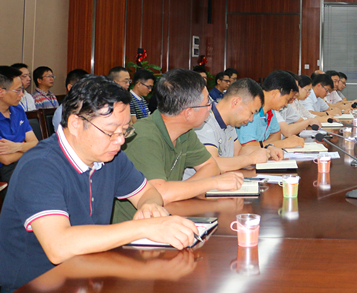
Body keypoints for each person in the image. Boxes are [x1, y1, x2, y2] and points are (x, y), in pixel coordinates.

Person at [0, 76, 198, 292]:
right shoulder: (40, 165)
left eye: (125, 130)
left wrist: (149, 205)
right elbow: (58, 246)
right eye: (111, 132)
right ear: (75, 124)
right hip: (36, 285)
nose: (120, 140)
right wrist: (145, 227)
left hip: (90, 274)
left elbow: (148, 192)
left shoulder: (110, 156)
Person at [112, 69, 244, 224]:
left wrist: (178, 191)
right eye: (207, 103)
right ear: (188, 113)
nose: (211, 107)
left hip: (169, 218)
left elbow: (211, 166)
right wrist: (213, 183)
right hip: (134, 229)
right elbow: (159, 193)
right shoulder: (143, 136)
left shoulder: (185, 131)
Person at [183, 78, 283, 179]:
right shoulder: (204, 122)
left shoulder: (230, 122)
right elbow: (213, 164)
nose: (251, 119)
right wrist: (250, 159)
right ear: (236, 102)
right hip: (199, 187)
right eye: (251, 113)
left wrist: (267, 150)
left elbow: (238, 152)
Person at [238, 71, 303, 150]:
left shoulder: (270, 111)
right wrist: (284, 143)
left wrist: (264, 145)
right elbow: (247, 146)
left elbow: (276, 135)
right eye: (286, 99)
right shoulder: (251, 108)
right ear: (275, 93)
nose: (286, 104)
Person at [0, 66, 39, 183]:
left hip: (26, 162)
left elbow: (36, 143)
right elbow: (6, 159)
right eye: (17, 90)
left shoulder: (18, 110)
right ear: (1, 92)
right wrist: (27, 147)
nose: (21, 94)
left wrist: (18, 147)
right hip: (5, 171)